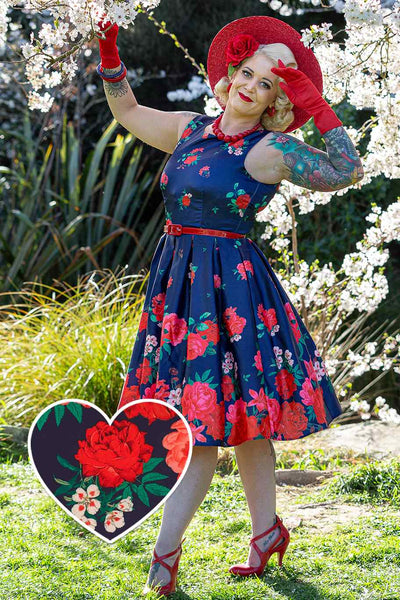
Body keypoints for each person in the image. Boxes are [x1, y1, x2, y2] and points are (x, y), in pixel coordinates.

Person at [96, 15, 364, 597]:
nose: (250, 86)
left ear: (277, 98)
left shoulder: (271, 150)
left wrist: (317, 107)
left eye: (268, 82)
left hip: (234, 296)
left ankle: (164, 558)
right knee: (241, 424)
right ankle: (266, 531)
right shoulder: (192, 128)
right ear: (229, 74)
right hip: (180, 291)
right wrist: (110, 57)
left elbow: (347, 169)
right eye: (246, 72)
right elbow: (129, 113)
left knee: (204, 427)